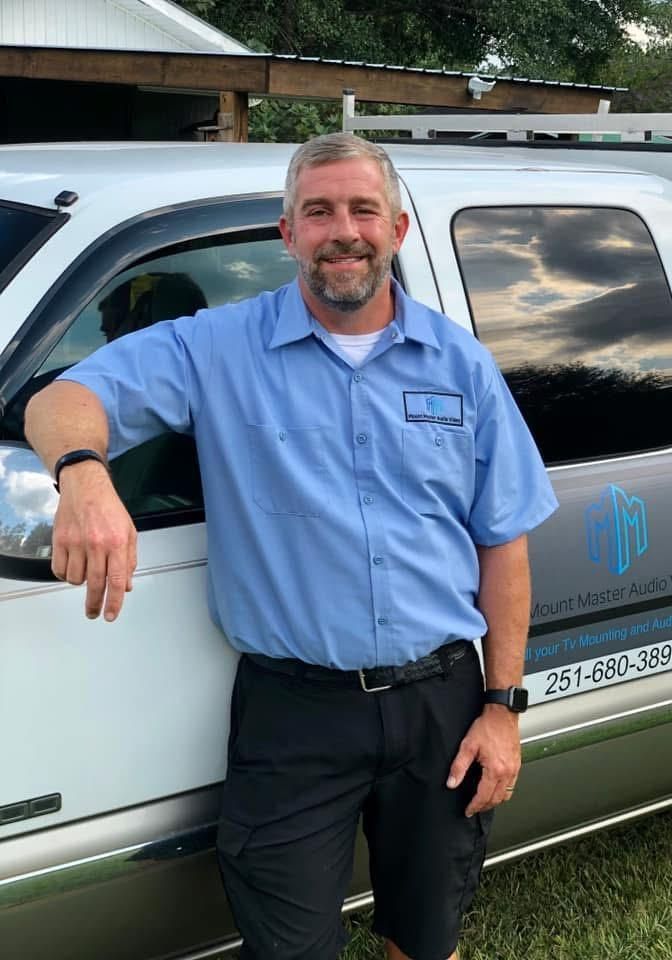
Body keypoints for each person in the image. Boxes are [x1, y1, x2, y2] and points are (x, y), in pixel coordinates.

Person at [25, 133, 558, 960]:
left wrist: (503, 707)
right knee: (288, 944)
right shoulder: (214, 349)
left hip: (441, 703)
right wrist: (85, 475)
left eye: (361, 209)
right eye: (318, 211)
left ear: (398, 230)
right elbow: (62, 399)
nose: (342, 230)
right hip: (295, 712)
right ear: (288, 234)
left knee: (428, 935)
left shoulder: (462, 365)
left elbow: (504, 547)